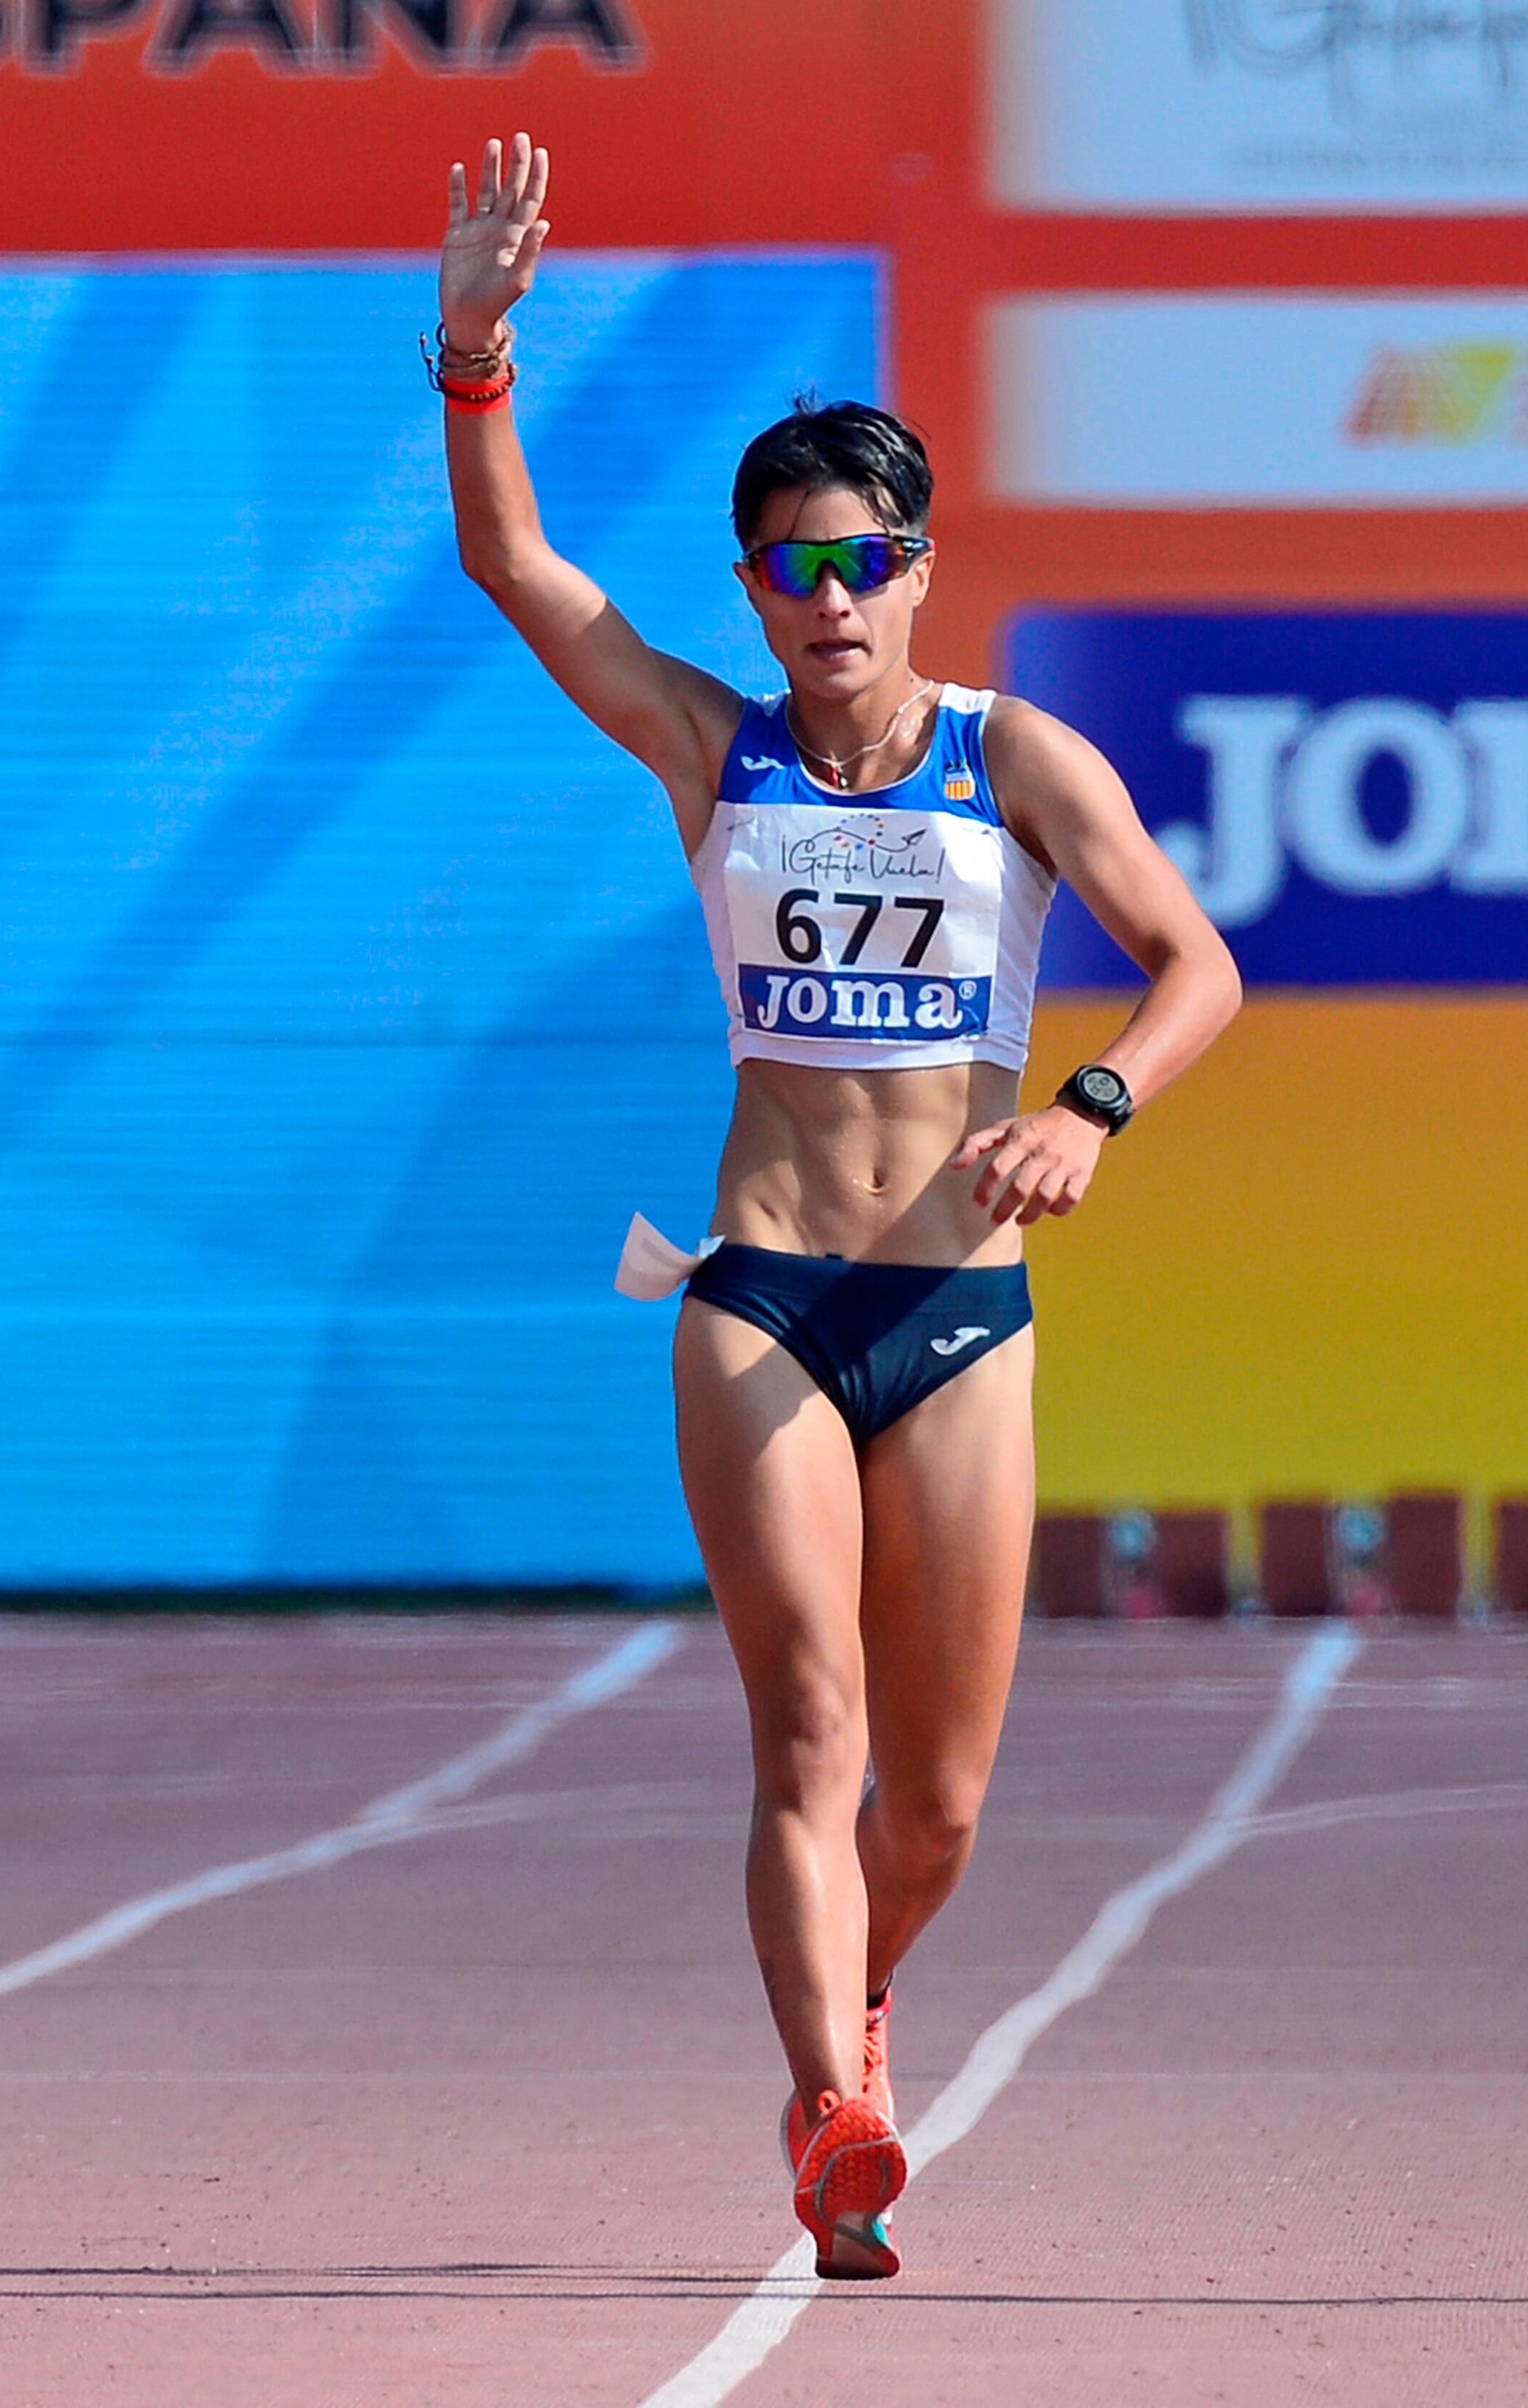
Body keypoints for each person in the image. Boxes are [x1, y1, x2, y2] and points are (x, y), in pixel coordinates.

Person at [436, 137, 1241, 2277]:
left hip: (960, 1310)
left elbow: (1199, 966)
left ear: (919, 564)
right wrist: (474, 345)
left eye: (864, 558)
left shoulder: (1017, 756)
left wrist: (1088, 1104)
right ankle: (841, 2115)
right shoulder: (720, 755)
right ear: (755, 591)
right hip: (765, 1293)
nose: (830, 600)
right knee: (810, 1727)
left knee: (943, 1802)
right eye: (790, 567)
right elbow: (520, 570)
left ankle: (851, 2010)